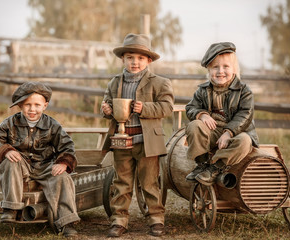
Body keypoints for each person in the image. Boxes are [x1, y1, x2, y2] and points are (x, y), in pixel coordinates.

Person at [101, 33, 174, 237]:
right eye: (130, 57)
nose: (135, 62)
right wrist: (105, 110)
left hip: (147, 142)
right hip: (121, 141)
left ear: (148, 60)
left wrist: (146, 108)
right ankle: (119, 220)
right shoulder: (114, 83)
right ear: (123, 59)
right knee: (121, 183)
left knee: (149, 183)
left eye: (140, 58)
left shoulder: (159, 82)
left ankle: (156, 220)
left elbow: (167, 107)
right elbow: (106, 104)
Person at [0, 82, 80, 237]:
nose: (32, 109)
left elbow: (67, 146)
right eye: (27, 105)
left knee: (63, 178)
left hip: (45, 165)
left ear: (45, 105)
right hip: (20, 164)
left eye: (37, 105)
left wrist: (63, 162)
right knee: (9, 162)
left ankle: (66, 221)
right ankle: (11, 208)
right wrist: (5, 150)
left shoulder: (52, 125)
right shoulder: (10, 123)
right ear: (20, 106)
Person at [185, 42, 259, 186]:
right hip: (212, 132)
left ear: (234, 69)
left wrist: (229, 133)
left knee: (245, 141)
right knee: (194, 126)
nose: (220, 71)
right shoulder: (203, 90)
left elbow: (245, 114)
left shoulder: (244, 91)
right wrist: (202, 115)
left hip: (236, 133)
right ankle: (202, 164)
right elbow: (191, 107)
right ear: (208, 70)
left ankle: (216, 167)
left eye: (226, 67)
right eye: (215, 67)